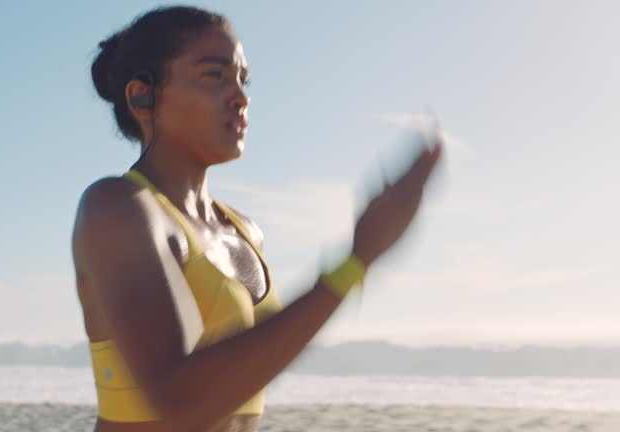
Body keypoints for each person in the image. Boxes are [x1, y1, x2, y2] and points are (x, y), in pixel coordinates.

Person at [71, 5, 443, 432]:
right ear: (143, 96)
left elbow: (246, 373)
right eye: (214, 75)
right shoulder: (117, 207)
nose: (241, 97)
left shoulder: (246, 232)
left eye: (243, 80)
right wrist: (356, 260)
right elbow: (179, 401)